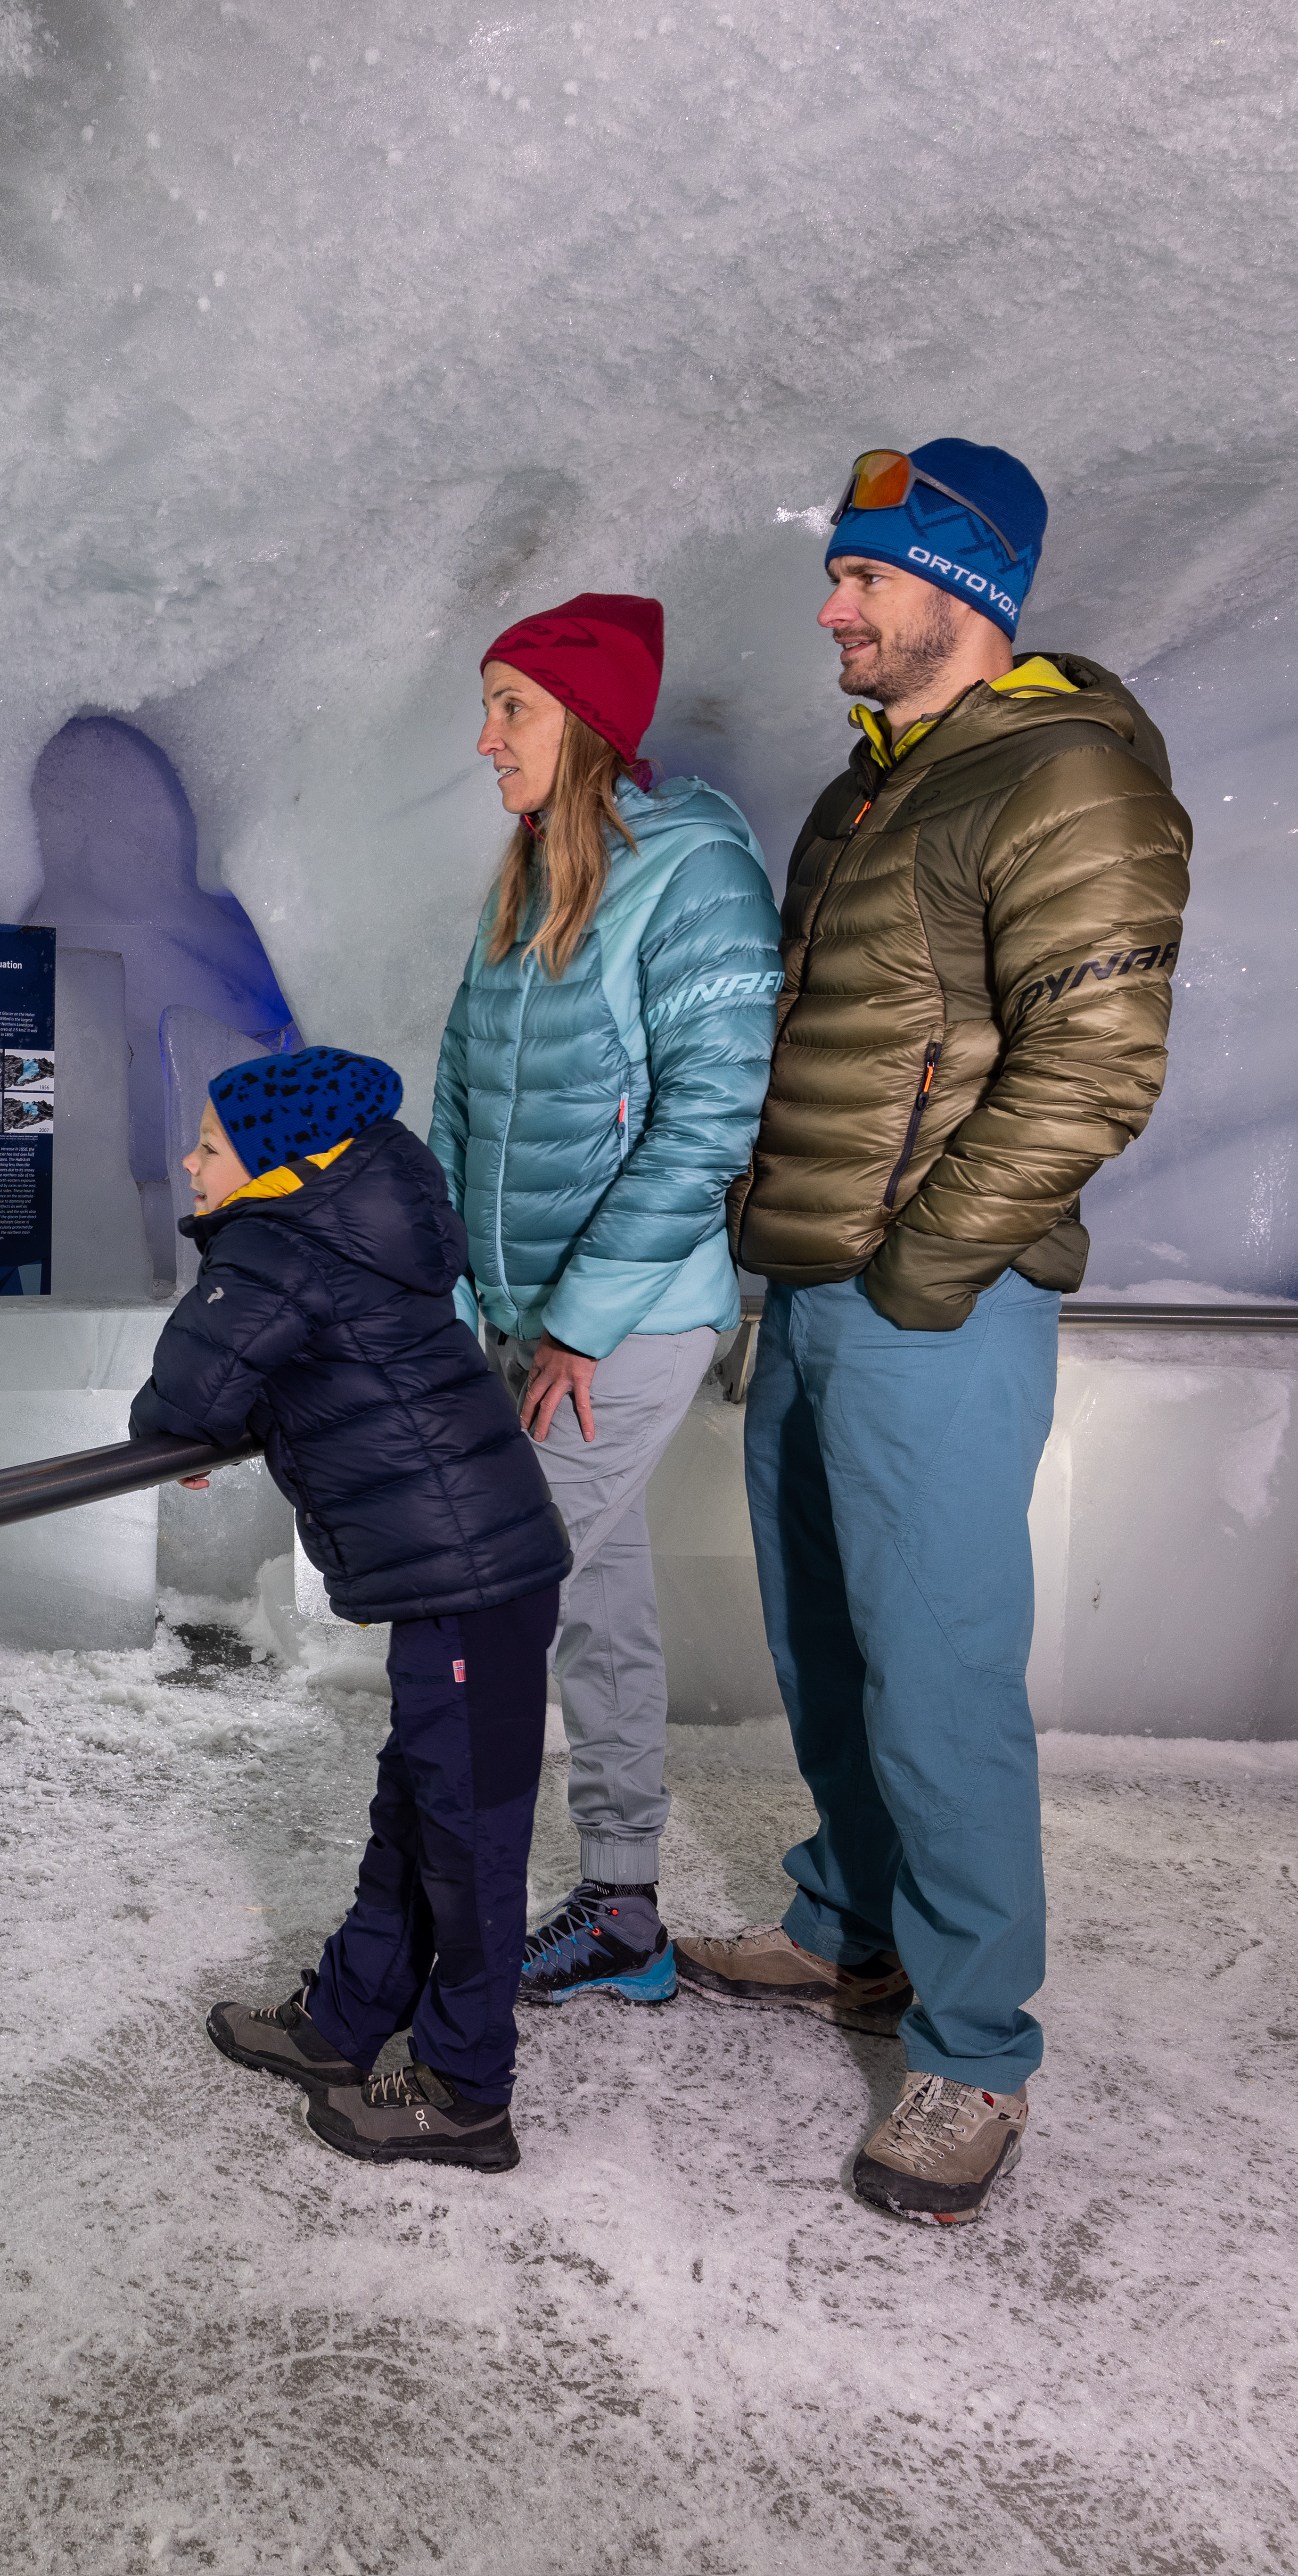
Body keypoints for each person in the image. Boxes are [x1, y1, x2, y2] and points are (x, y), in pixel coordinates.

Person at [677, 439, 1191, 2226]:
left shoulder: (1067, 784)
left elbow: (1097, 1064)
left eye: (866, 581)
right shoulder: (876, 789)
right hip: (814, 1287)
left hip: (929, 1307)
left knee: (942, 1673)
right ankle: (853, 1934)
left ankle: (974, 2055)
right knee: (828, 1643)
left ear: (962, 593)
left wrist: (922, 1264)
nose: (831, 608)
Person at [428, 593, 780, 2010]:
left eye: (512, 706)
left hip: (626, 1321)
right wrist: (455, 1288)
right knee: (596, 1597)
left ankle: (437, 1931)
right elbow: (459, 1090)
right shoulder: (525, 875)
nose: (485, 736)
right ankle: (623, 1913)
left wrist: (577, 1320)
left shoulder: (694, 873)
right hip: (527, 1318)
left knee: (499, 1599)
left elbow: (712, 1114)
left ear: (586, 724)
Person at [136, 1047, 573, 2172]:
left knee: (466, 1840)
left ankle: (466, 2092)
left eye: (210, 1146)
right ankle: (344, 2017)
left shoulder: (278, 1245)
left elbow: (188, 1388)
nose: (186, 1162)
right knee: (422, 1810)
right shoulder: (344, 1227)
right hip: (470, 1572)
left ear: (278, 1164)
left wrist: (174, 1430)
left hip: (470, 1576)